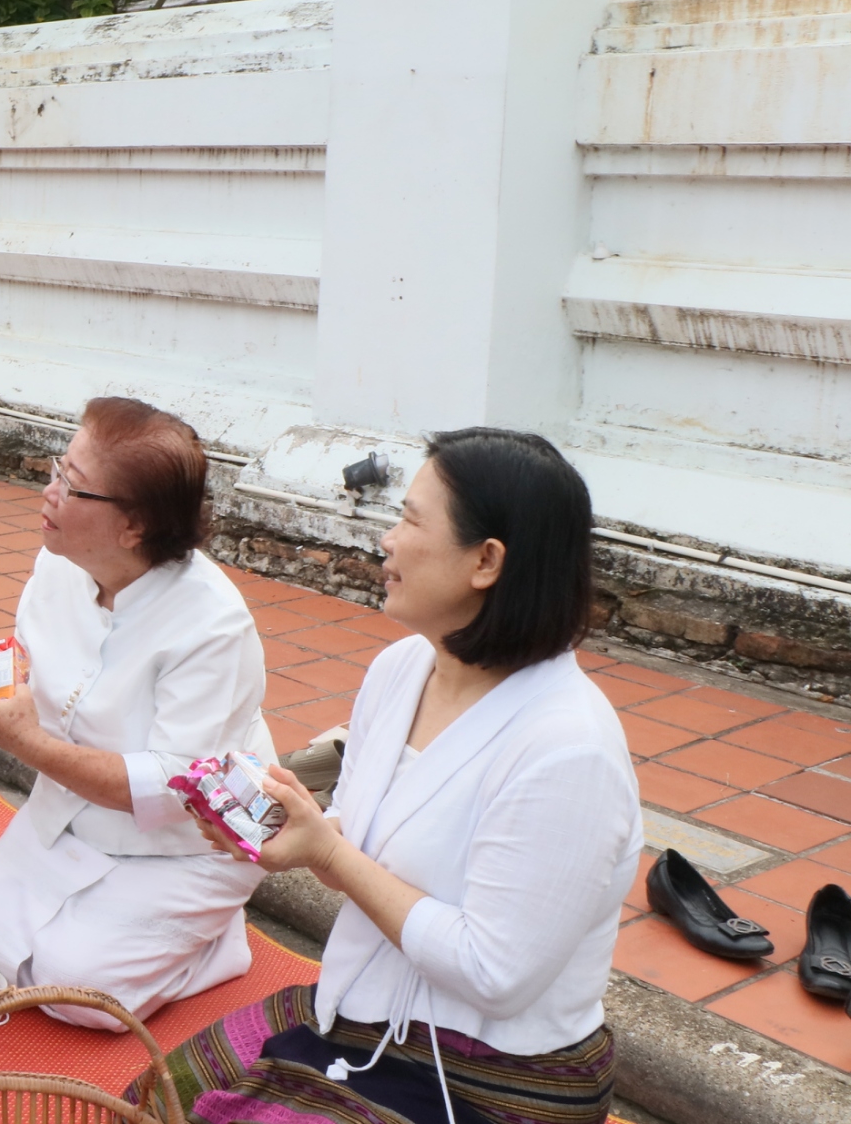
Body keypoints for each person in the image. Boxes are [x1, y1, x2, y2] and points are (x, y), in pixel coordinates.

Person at [149, 429, 637, 1124]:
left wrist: (329, 850)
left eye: (410, 519)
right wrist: (287, 830)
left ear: (486, 560)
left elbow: (493, 973)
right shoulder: (401, 669)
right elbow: (358, 837)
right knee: (166, 1092)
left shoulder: (568, 748)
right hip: (366, 1005)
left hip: (496, 1070)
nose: (387, 539)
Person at [0, 398, 273, 1031]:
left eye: (71, 486)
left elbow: (174, 788)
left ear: (134, 526)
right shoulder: (59, 563)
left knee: (81, 996)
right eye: (57, 469)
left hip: (184, 845)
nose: (48, 492)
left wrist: (26, 743)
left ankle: (216, 942)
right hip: (71, 814)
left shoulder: (213, 625)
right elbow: (27, 674)